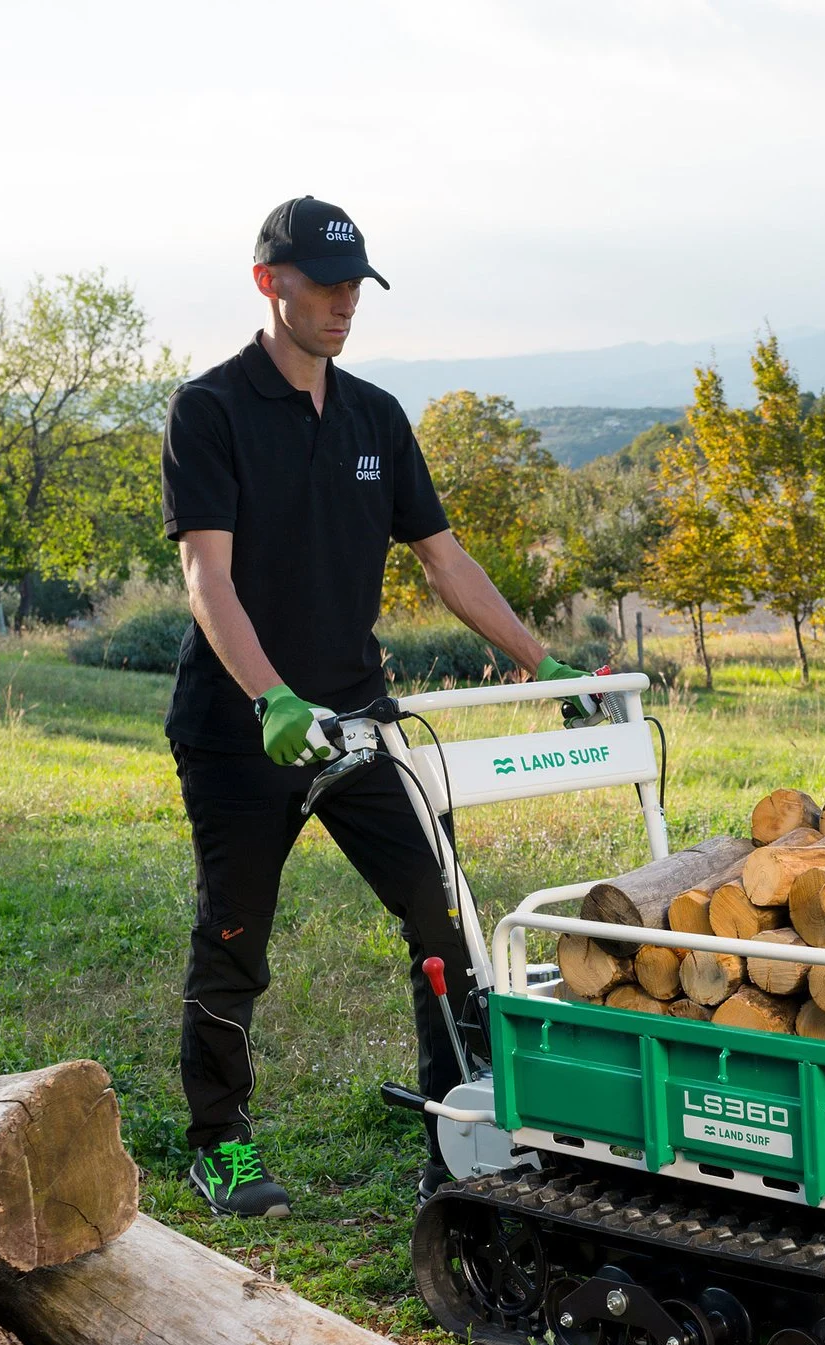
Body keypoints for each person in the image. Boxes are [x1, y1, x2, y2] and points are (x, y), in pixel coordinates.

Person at [160, 195, 575, 1218]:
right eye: (325, 285)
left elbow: (443, 558)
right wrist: (269, 696)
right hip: (241, 726)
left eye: (356, 287)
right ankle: (219, 1141)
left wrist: (544, 664)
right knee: (234, 938)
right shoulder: (208, 409)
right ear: (271, 283)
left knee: (442, 915)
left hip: (356, 719)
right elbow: (206, 578)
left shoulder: (374, 417)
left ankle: (461, 1121)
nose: (345, 305)